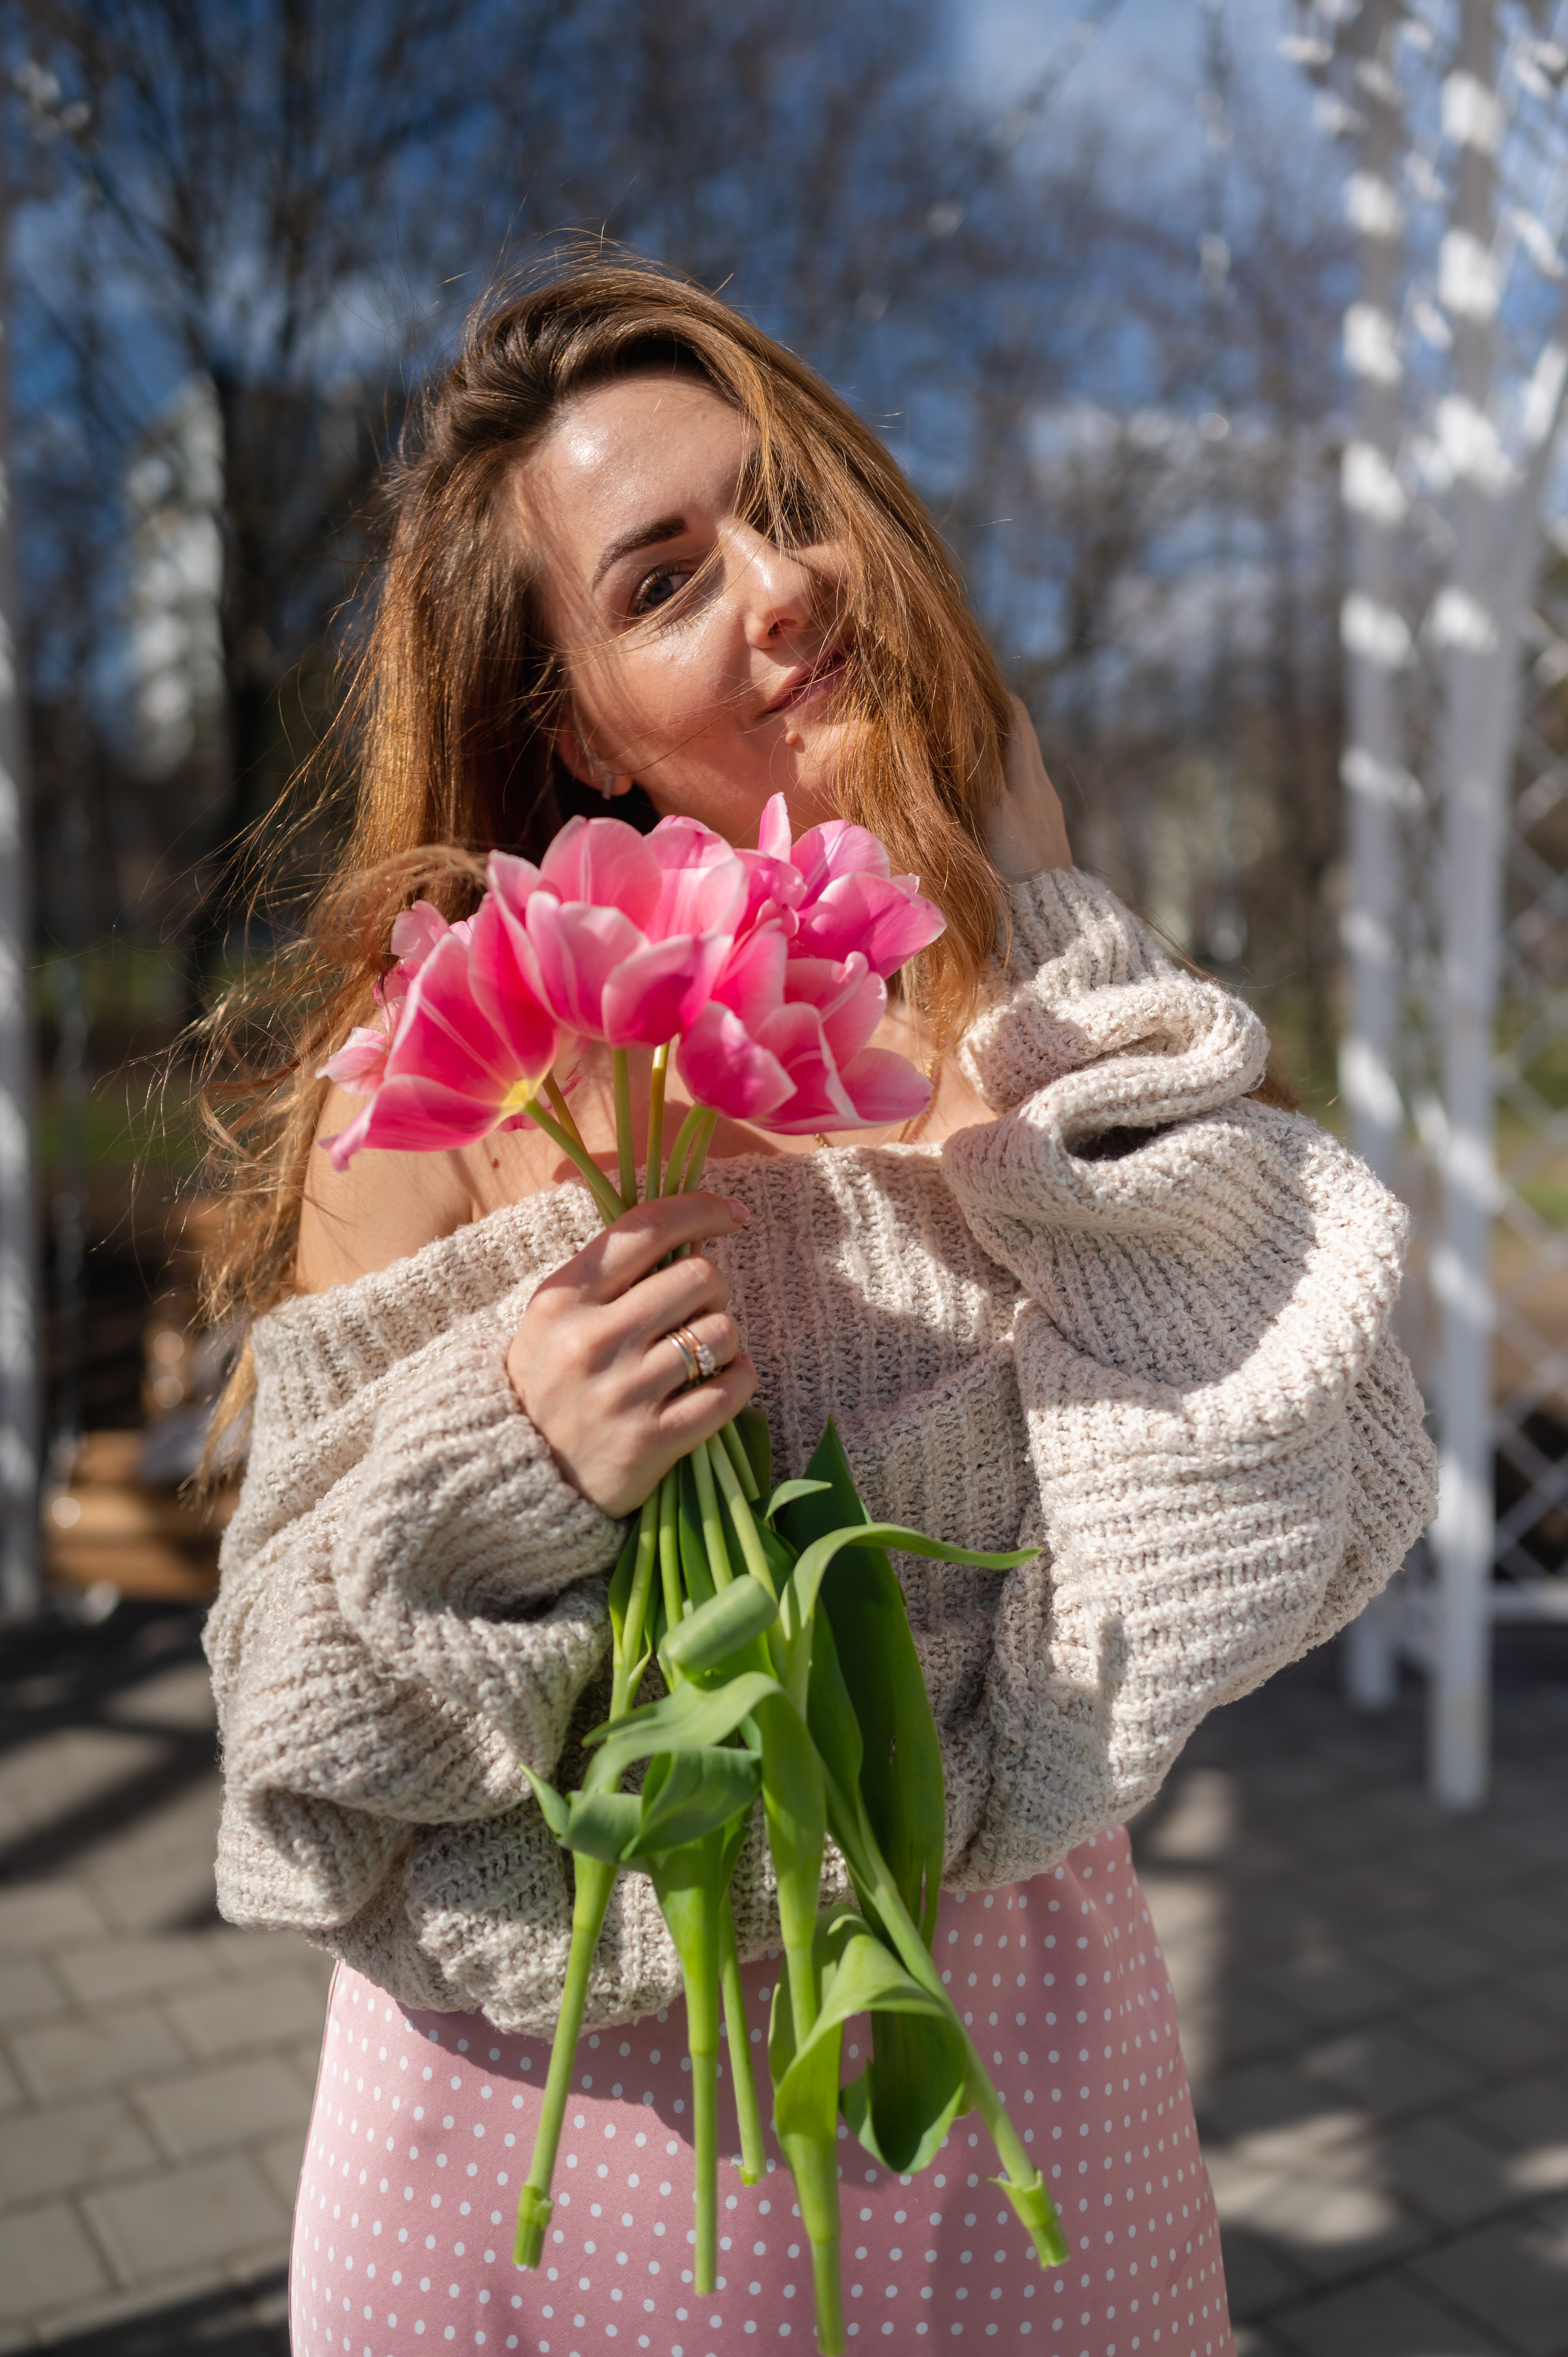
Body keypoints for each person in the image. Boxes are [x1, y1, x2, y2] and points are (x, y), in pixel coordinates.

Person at [198, 262, 1437, 2357]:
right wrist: (514, 1462)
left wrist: (1047, 927)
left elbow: (1308, 1486)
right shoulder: (449, 1055)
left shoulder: (1013, 1008)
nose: (786, 584)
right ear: (568, 722)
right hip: (548, 2126)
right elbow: (284, 1719)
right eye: (666, 579)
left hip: (1008, 2069)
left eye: (791, 501)